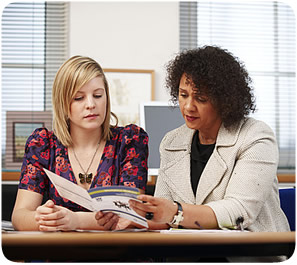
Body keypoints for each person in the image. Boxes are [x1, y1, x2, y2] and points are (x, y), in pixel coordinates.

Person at [130, 46, 290, 235]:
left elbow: (238, 211)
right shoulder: (171, 142)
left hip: (249, 253)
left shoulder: (255, 136)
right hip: (190, 254)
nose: (188, 106)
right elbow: (162, 215)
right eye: (183, 95)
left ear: (225, 100)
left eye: (201, 98)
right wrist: (132, 216)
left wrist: (176, 212)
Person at [12, 55, 149, 231]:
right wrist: (44, 217)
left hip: (115, 254)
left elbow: (132, 215)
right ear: (62, 103)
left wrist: (75, 220)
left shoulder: (129, 141)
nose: (91, 104)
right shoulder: (42, 145)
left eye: (98, 95)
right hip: (59, 254)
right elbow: (19, 216)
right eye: (79, 98)